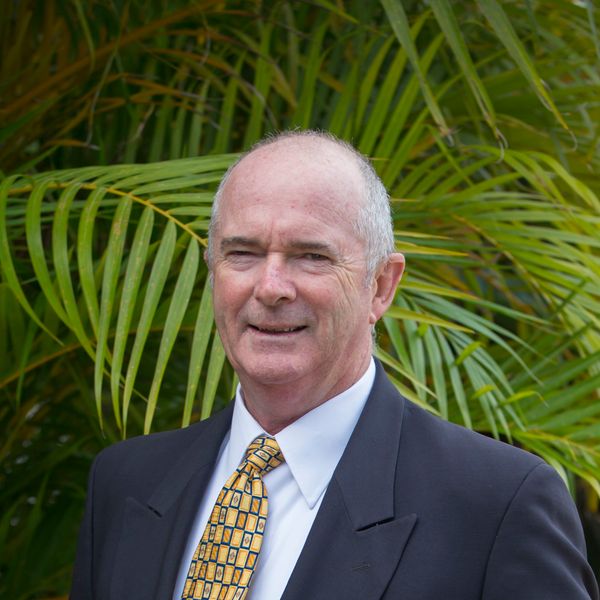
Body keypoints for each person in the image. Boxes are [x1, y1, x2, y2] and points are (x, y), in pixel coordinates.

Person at [70, 130, 599, 600]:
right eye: (243, 253)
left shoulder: (497, 504)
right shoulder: (126, 483)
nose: (271, 288)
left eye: (312, 256)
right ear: (213, 271)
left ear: (381, 286)